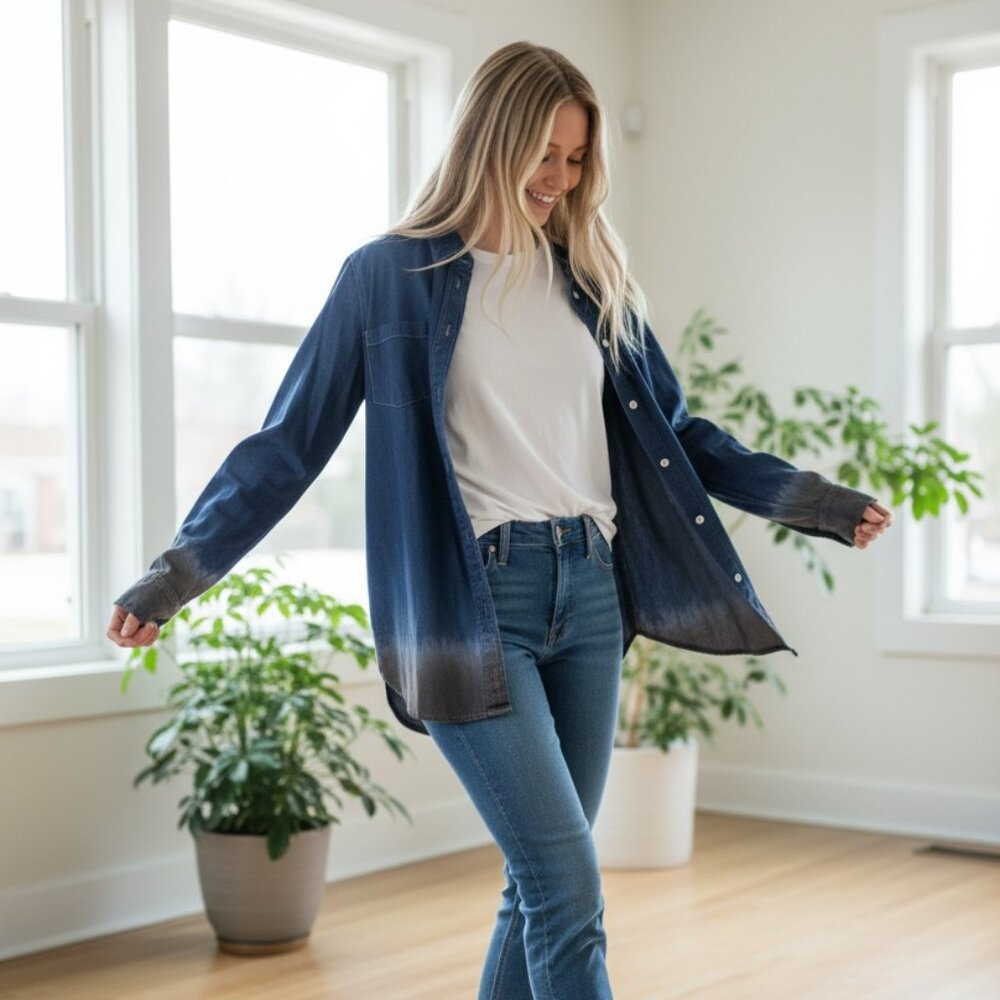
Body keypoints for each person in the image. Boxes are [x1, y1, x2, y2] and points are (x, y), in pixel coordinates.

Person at [108, 41, 892, 1000]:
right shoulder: (386, 278)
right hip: (476, 603)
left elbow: (683, 436)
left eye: (575, 160)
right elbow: (287, 445)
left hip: (593, 597)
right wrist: (177, 572)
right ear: (489, 137)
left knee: (540, 885)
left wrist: (812, 502)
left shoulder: (593, 282)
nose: (559, 180)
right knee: (566, 881)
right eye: (544, 154)